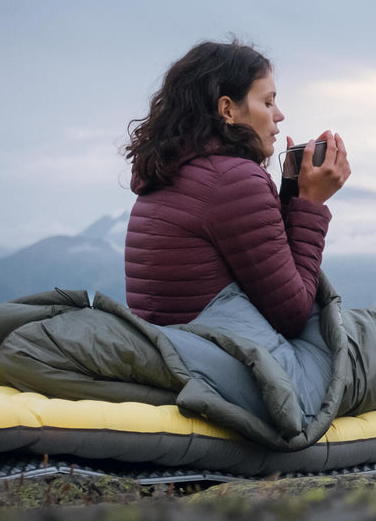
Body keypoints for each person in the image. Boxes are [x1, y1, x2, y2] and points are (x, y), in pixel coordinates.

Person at [124, 39, 351, 337]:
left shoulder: (173, 171)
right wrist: (310, 203)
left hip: (174, 351)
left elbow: (258, 266)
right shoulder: (233, 179)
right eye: (268, 102)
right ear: (227, 110)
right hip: (221, 360)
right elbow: (293, 315)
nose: (279, 115)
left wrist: (288, 196)